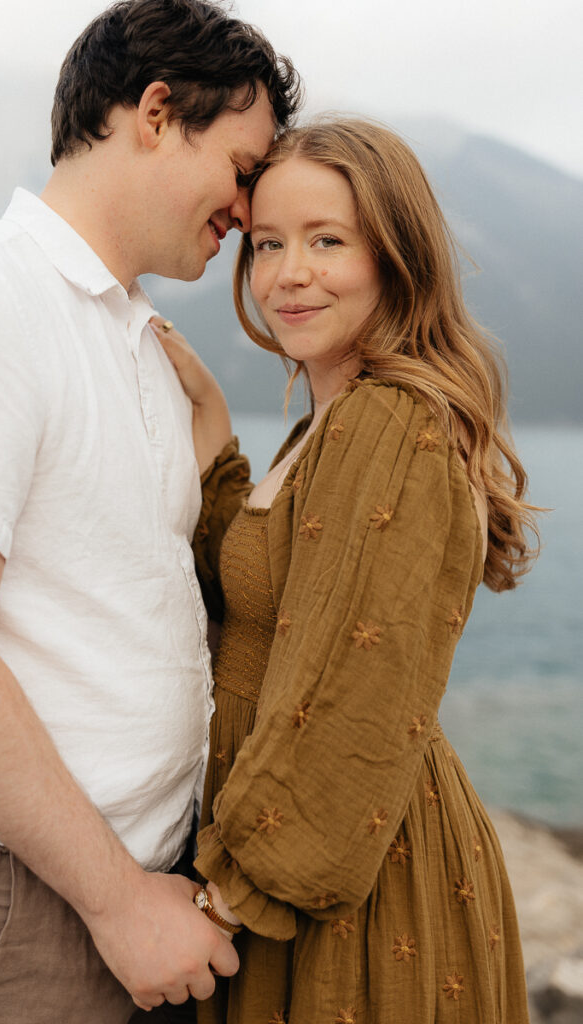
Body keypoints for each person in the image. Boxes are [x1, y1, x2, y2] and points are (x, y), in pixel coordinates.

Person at [0, 2, 301, 1021]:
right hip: (8, 900)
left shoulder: (137, 342)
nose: (250, 212)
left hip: (117, 895)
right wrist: (119, 900)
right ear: (156, 112)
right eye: (245, 168)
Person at [158, 117, 539, 1023]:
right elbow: (259, 584)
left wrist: (225, 897)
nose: (289, 272)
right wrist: (210, 413)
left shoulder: (387, 422)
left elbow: (348, 694)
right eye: (267, 244)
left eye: (327, 240)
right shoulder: (328, 423)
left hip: (345, 888)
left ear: (395, 259)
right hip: (312, 867)